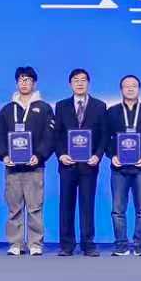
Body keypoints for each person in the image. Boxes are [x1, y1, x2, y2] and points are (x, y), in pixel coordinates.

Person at [0, 66, 54, 257]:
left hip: (35, 167)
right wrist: (4, 155)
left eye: (28, 80)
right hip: (13, 168)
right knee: (14, 208)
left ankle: (35, 243)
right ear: (16, 83)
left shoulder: (44, 108)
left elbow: (49, 136)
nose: (24, 83)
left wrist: (40, 155)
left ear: (34, 83)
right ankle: (15, 243)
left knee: (35, 207)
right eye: (21, 79)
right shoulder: (7, 110)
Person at [54, 68, 106, 256]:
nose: (80, 83)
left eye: (83, 80)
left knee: (87, 205)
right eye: (76, 80)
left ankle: (88, 244)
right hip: (67, 164)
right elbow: (56, 134)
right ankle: (66, 245)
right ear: (70, 84)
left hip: (89, 165)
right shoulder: (61, 106)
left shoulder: (100, 106)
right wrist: (61, 154)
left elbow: (104, 135)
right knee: (66, 205)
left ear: (88, 83)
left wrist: (97, 156)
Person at [107, 74, 141, 256]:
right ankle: (121, 246)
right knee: (117, 210)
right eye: (126, 86)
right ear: (121, 89)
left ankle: (139, 245)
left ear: (139, 89)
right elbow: (105, 137)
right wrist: (112, 155)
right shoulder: (112, 111)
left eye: (134, 85)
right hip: (119, 168)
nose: (130, 88)